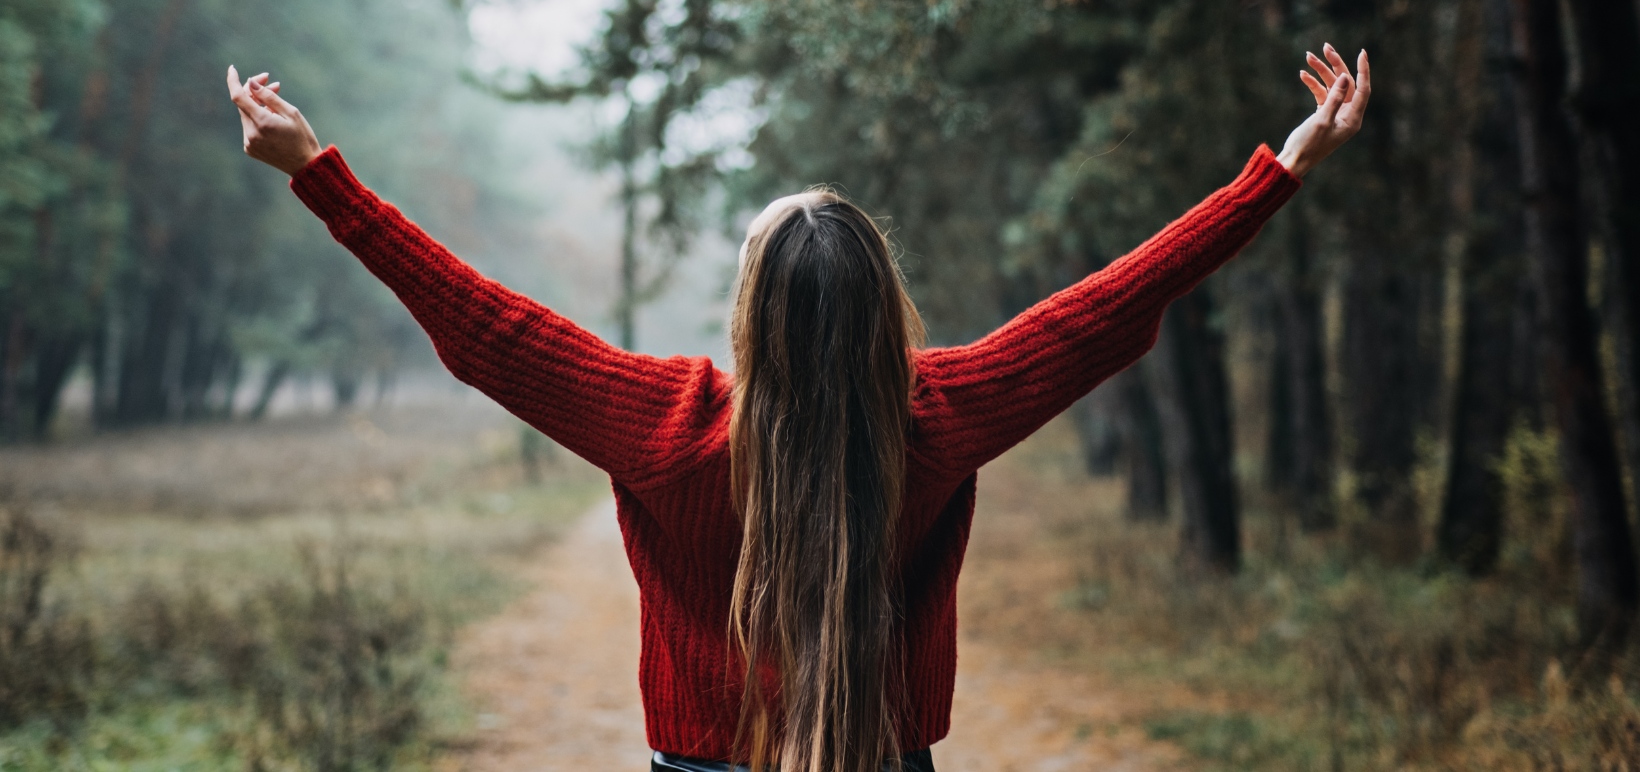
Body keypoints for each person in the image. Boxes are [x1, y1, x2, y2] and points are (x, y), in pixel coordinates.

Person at [225, 44, 1370, 772]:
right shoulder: (936, 414)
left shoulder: (663, 425)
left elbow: (484, 327)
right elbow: (1107, 305)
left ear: (748, 310)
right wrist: (1278, 171)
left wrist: (320, 172)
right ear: (882, 308)